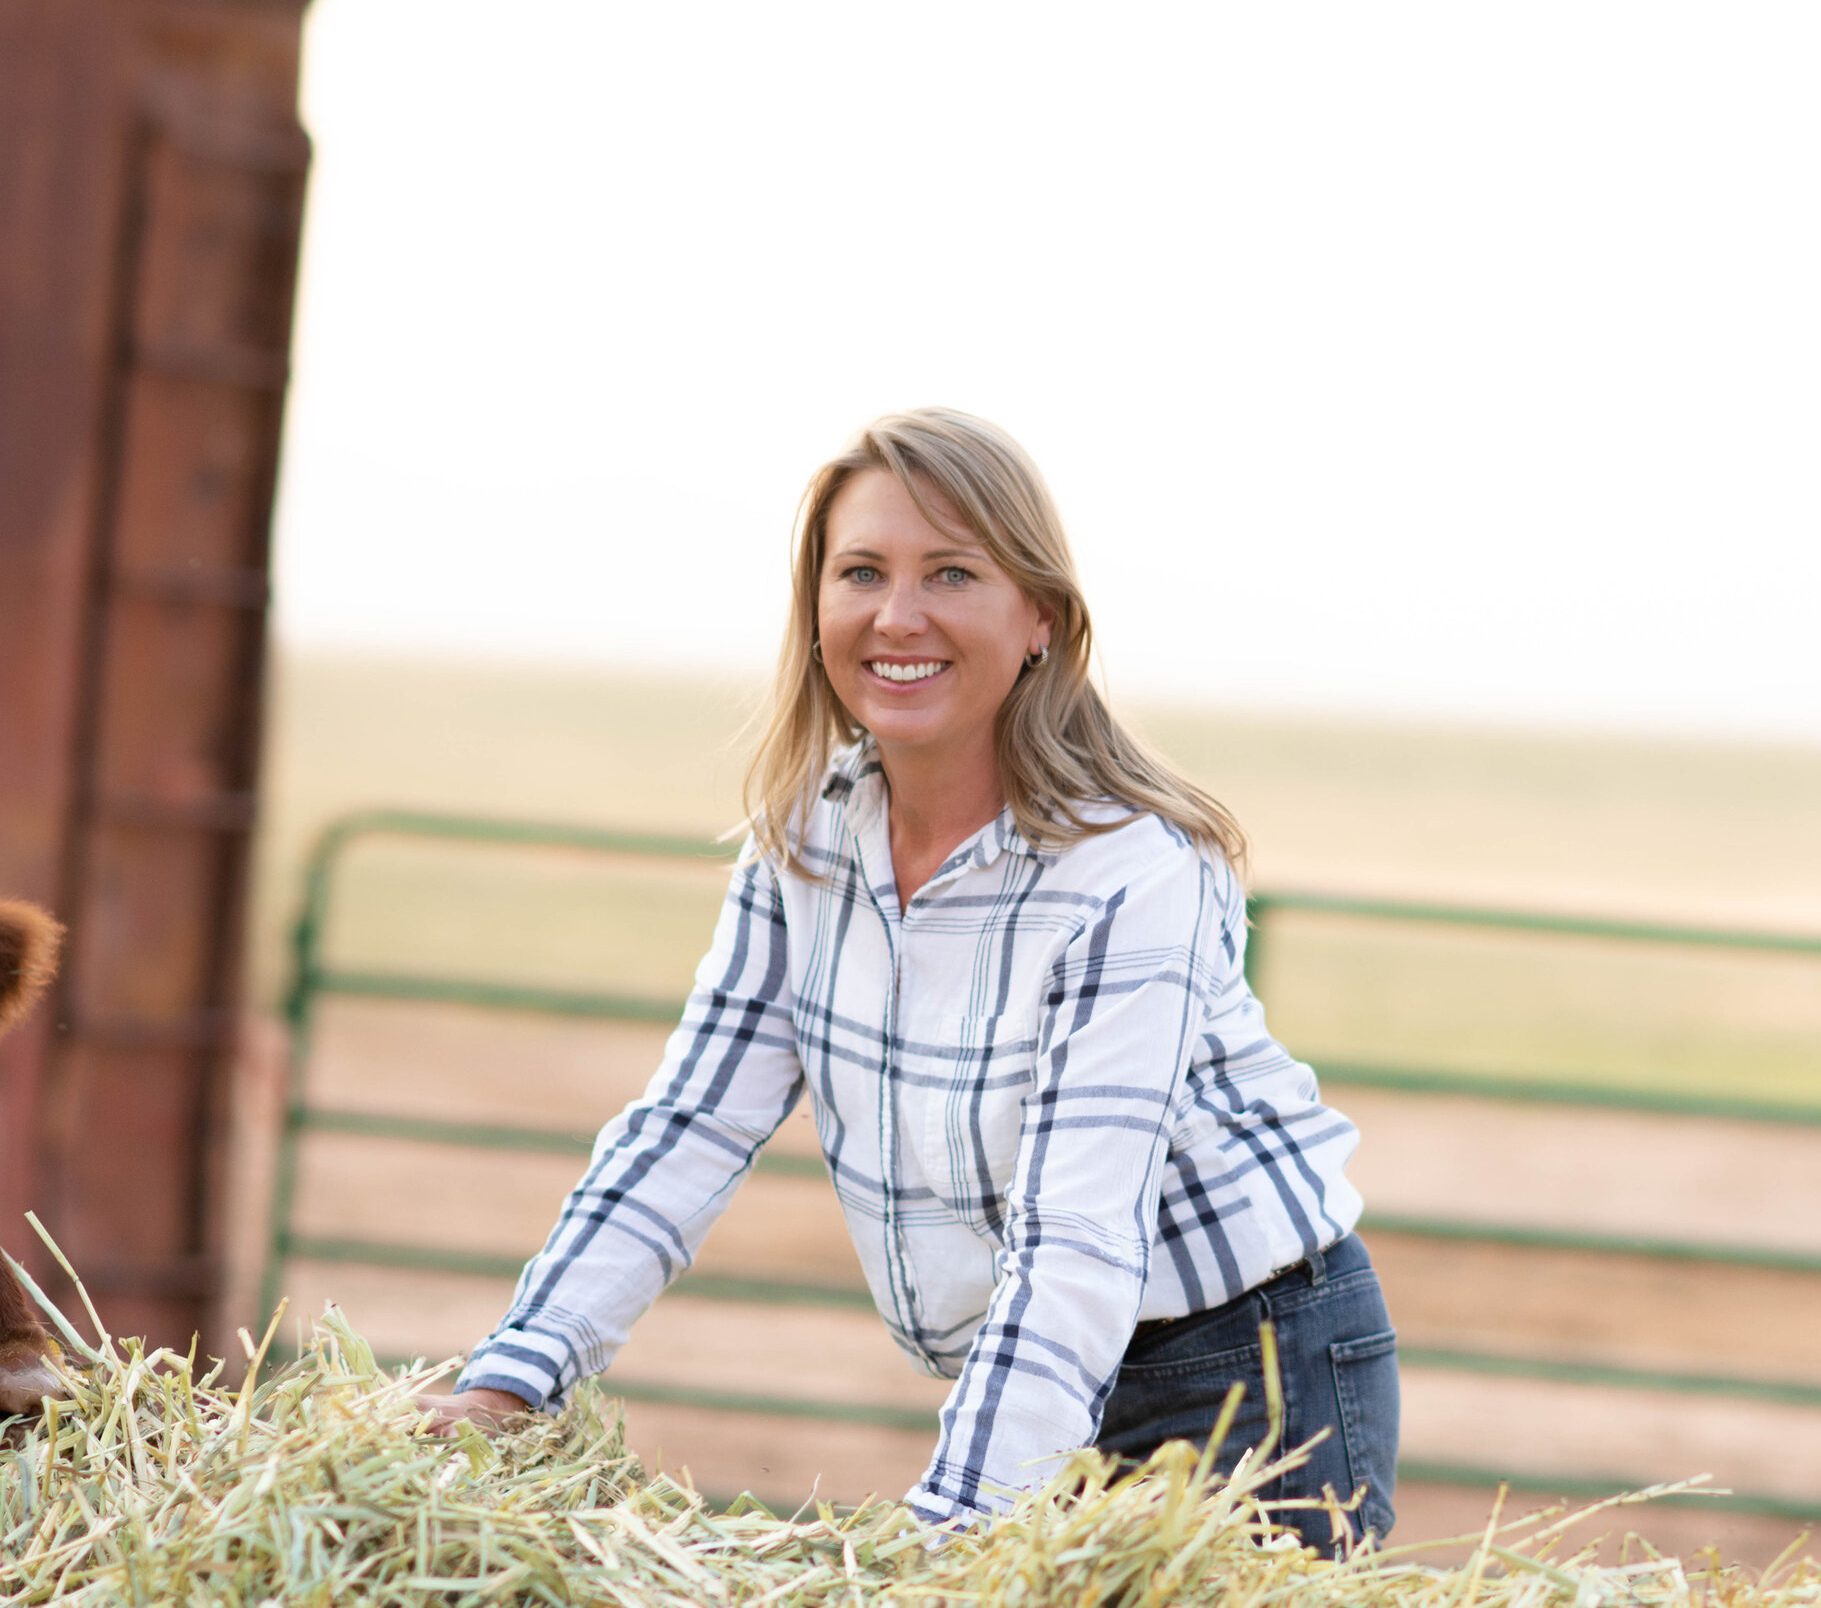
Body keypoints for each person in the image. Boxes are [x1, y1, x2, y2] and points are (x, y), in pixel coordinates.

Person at [418, 408, 1398, 1551]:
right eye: (862, 572)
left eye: (952, 573)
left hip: (1245, 1378)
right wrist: (513, 1379)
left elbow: (1077, 1234)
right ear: (815, 609)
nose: (897, 615)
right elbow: (689, 1125)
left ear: (1040, 616)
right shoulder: (805, 836)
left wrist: (950, 1529)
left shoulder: (1131, 871)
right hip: (1031, 1367)